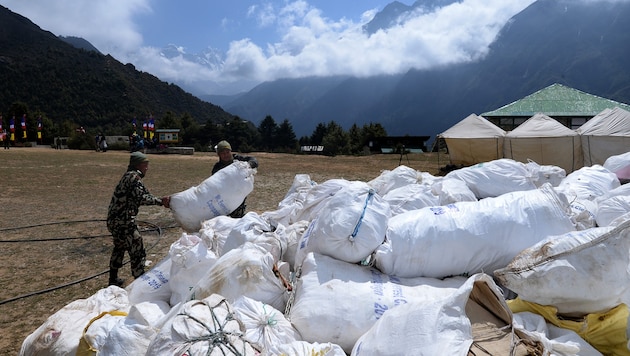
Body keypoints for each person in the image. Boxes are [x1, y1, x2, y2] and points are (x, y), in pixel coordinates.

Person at [106, 151, 171, 287]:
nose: (147, 168)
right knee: (138, 248)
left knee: (119, 247)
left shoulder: (129, 176)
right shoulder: (134, 178)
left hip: (115, 220)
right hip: (123, 222)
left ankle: (113, 279)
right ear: (138, 165)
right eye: (145, 165)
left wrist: (160, 199)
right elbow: (142, 198)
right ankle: (140, 280)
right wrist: (160, 202)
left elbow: (145, 193)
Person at [212, 140, 258, 218]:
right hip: (225, 200)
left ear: (230, 151)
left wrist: (248, 165)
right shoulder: (217, 168)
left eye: (227, 152)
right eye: (223, 153)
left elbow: (254, 161)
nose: (226, 155)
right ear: (219, 155)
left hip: (239, 197)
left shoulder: (238, 159)